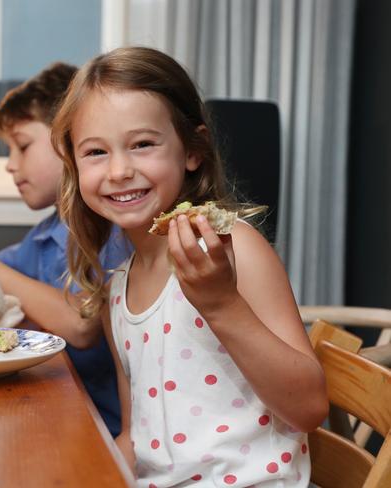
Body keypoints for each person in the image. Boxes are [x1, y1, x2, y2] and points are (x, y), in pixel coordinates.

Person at [51, 46, 328, 487]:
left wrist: (221, 304)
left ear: (192, 150)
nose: (120, 170)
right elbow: (135, 437)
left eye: (143, 144)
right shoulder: (118, 290)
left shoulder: (235, 249)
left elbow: (309, 408)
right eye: (95, 152)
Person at [0, 62, 132, 437]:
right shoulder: (42, 237)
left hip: (106, 432)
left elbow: (82, 326)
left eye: (22, 145)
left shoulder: (117, 230)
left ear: (68, 138)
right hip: (54, 413)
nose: (10, 165)